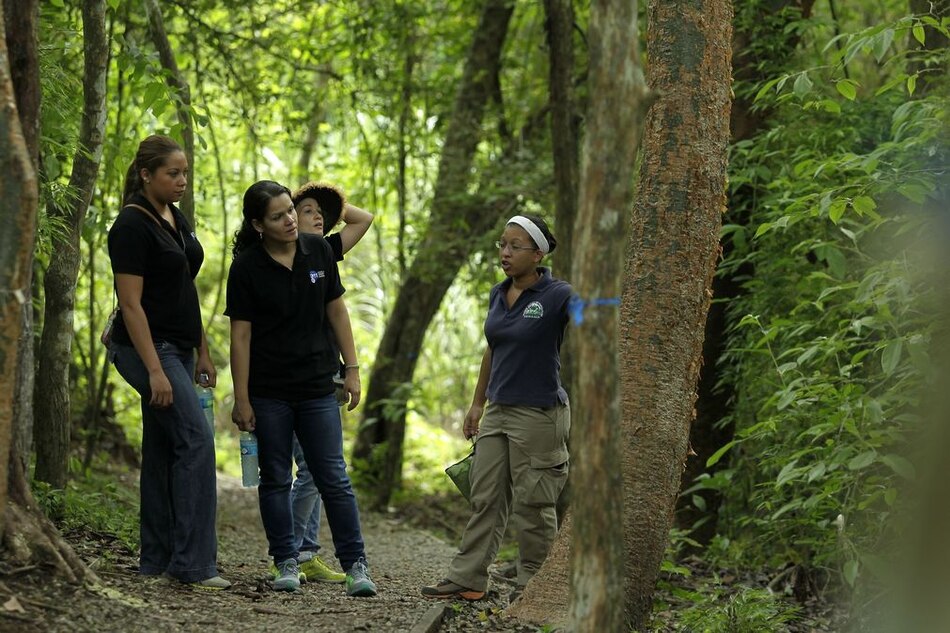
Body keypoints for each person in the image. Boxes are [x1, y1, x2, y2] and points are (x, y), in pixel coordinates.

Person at [226, 180, 377, 596]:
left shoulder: (319, 250)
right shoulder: (246, 268)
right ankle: (286, 560)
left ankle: (356, 565)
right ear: (259, 225)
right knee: (276, 478)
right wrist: (242, 398)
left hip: (317, 387)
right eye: (278, 217)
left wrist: (352, 369)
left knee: (334, 477)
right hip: (269, 391)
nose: (290, 220)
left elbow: (337, 312)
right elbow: (240, 337)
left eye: (290, 211)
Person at [421, 214, 572, 602]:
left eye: (515, 246)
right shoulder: (497, 293)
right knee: (485, 497)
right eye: (502, 244)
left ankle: (533, 585)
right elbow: (494, 348)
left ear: (537, 254)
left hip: (539, 414)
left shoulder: (558, 295)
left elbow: (593, 320)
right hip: (498, 411)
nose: (505, 253)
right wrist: (477, 403)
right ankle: (468, 577)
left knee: (534, 503)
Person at [107, 134, 229, 590]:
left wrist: (202, 349)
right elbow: (131, 305)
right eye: (172, 173)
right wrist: (156, 371)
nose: (182, 181)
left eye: (185, 173)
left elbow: (183, 289)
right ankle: (193, 566)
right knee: (196, 442)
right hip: (146, 349)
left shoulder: (175, 217)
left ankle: (156, 560)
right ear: (146, 175)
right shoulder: (130, 226)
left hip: (179, 347)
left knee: (162, 449)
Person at [281, 182, 374, 584]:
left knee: (316, 468)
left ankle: (304, 553)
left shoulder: (325, 250)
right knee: (312, 469)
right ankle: (289, 552)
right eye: (308, 211)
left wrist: (326, 203)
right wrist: (294, 205)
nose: (318, 217)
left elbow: (363, 219)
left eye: (322, 213)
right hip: (291, 379)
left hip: (327, 374)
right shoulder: (276, 256)